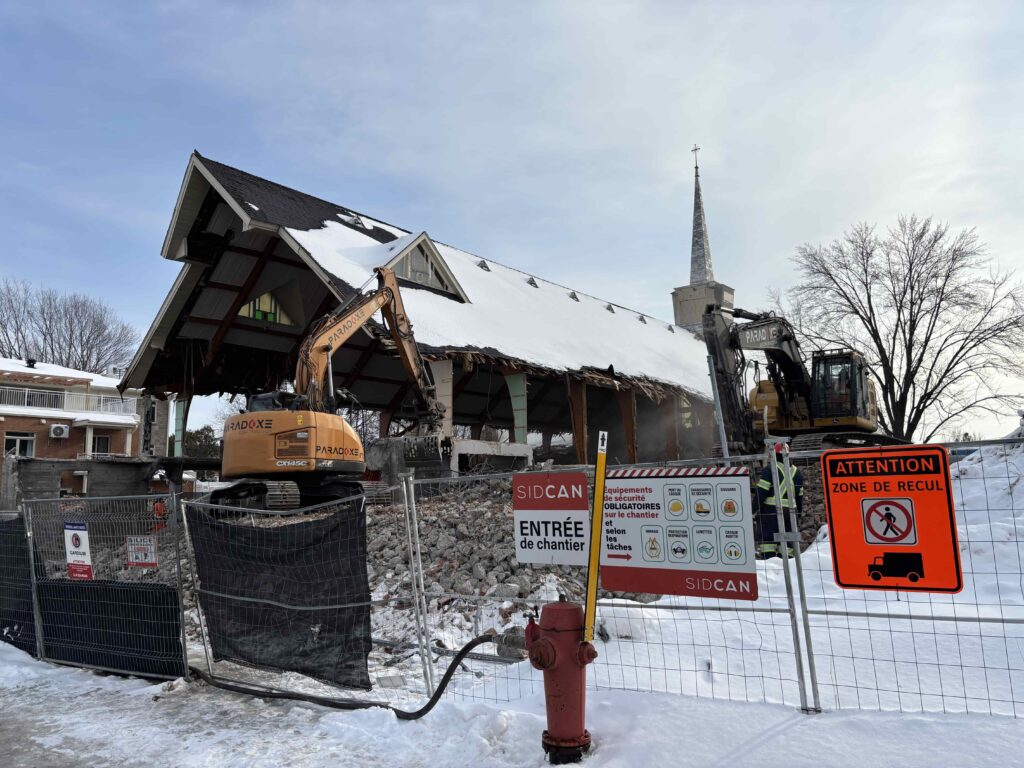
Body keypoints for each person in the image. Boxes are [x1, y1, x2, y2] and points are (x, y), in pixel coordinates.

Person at [754, 442, 804, 559]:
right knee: (787, 544)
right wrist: (798, 513)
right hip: (791, 513)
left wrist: (753, 509)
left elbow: (761, 493)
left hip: (771, 513)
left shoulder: (770, 469)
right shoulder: (797, 472)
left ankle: (772, 566)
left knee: (768, 543)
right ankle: (788, 569)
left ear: (774, 455)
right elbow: (799, 496)